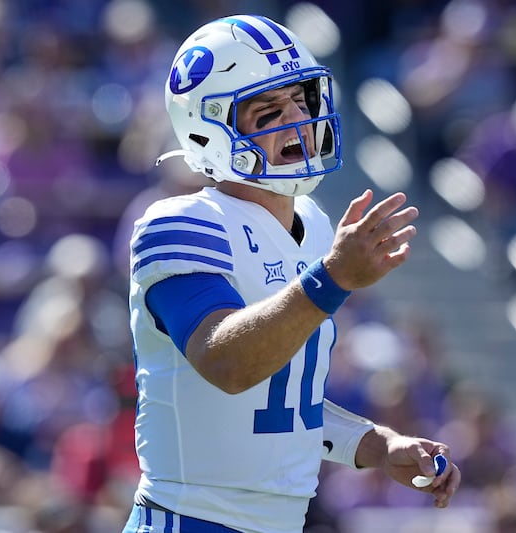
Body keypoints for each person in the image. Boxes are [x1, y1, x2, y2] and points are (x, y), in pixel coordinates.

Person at [123, 14, 461, 533]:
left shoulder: (317, 227)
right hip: (191, 521)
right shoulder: (180, 223)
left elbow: (280, 400)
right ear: (208, 127)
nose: (298, 121)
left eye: (302, 102)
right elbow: (227, 364)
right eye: (269, 111)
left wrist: (376, 444)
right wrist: (331, 279)